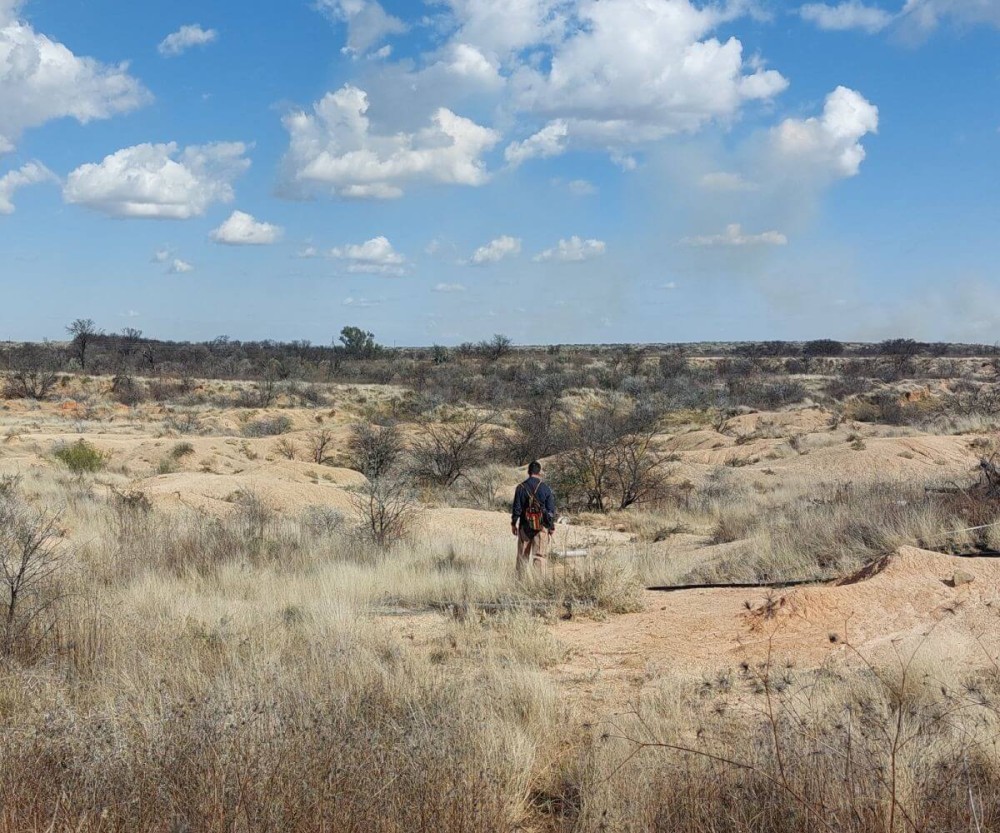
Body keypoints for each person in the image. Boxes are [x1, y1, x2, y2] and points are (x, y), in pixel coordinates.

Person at [511, 461, 557, 577]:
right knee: (539, 557)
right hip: (541, 528)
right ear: (540, 472)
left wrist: (513, 524)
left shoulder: (520, 488)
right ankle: (538, 586)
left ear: (528, 472)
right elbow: (551, 511)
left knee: (522, 556)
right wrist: (551, 527)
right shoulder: (546, 488)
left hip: (524, 527)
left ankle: (520, 583)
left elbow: (517, 508)